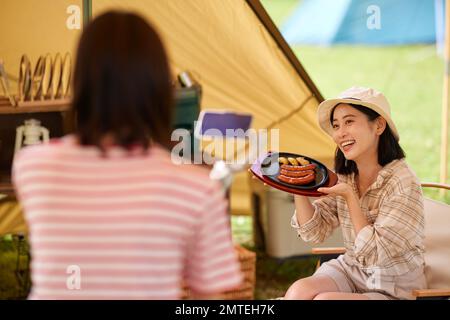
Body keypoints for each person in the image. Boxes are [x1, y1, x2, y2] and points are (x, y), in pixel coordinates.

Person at [12, 11, 242, 300]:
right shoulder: (196, 187)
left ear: (81, 82)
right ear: (160, 90)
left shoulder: (32, 166)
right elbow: (207, 298)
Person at [284, 87, 426, 300]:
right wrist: (296, 187)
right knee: (297, 293)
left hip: (393, 286)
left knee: (325, 301)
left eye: (349, 122)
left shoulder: (404, 183)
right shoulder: (346, 175)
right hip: (352, 270)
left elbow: (376, 256)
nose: (340, 133)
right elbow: (314, 232)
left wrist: (351, 197)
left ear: (378, 125)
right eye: (336, 125)